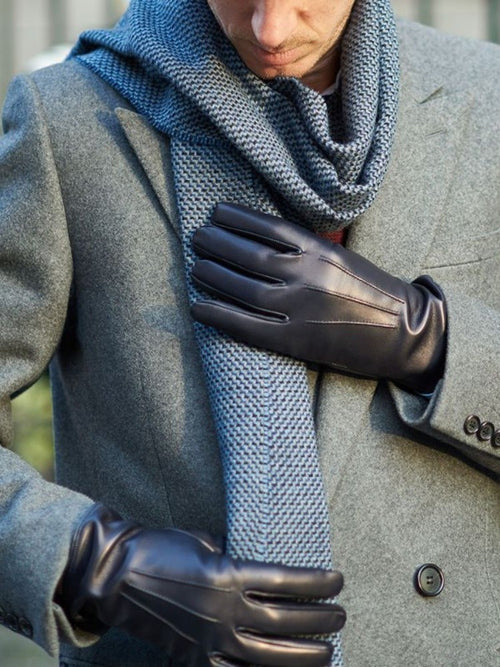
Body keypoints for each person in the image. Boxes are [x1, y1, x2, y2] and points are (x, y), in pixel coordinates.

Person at [0, 0, 498, 665]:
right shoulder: (68, 117)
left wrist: (431, 341)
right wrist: (95, 563)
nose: (270, 30)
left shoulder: (484, 95)